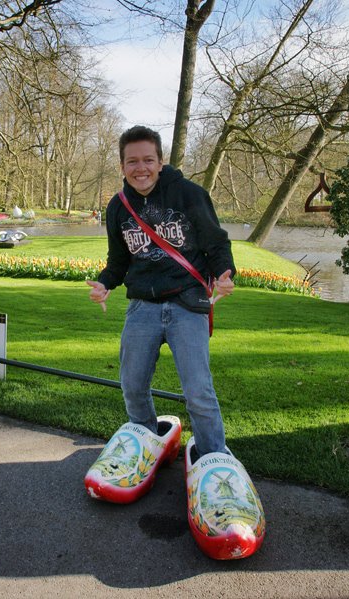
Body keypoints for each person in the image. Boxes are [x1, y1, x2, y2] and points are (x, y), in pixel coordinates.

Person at [83, 125, 264, 560]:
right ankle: (146, 442)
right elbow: (119, 261)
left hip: (186, 304)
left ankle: (214, 461)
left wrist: (224, 273)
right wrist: (106, 283)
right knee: (132, 382)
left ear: (160, 161)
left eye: (148, 159)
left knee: (198, 390)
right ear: (122, 166)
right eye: (132, 161)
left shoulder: (187, 194)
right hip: (143, 306)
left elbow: (216, 241)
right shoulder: (119, 206)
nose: (140, 167)